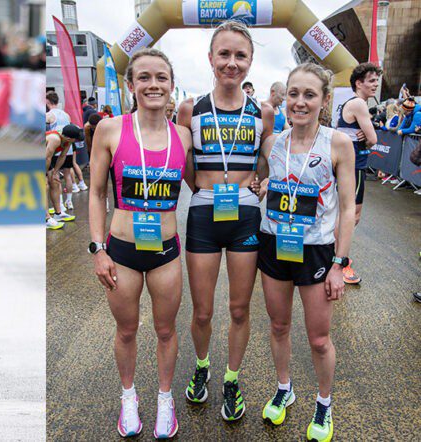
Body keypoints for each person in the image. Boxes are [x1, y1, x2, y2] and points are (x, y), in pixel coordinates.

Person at [89, 47, 192, 439]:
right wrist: (97, 249)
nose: (153, 85)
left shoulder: (182, 134)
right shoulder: (110, 129)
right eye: (144, 77)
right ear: (131, 85)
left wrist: (255, 184)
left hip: (166, 253)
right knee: (127, 330)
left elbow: (202, 184)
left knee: (166, 331)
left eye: (161, 78)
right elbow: (97, 194)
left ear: (171, 84)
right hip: (122, 252)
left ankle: (165, 400)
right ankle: (128, 398)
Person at [176, 20, 273, 421]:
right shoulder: (190, 109)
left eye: (240, 55)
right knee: (201, 311)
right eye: (224, 54)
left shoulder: (262, 111)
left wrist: (262, 182)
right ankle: (202, 367)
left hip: (245, 216)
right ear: (211, 58)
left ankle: (231, 378)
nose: (231, 63)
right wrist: (202, 189)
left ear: (250, 62)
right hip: (203, 211)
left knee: (238, 309)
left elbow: (269, 160)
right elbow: (184, 164)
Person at [254, 62, 355, 442]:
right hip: (275, 245)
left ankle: (324, 403)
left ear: (324, 100)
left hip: (316, 251)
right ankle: (284, 388)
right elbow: (267, 180)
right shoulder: (273, 142)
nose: (299, 102)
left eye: (309, 95)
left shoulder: (338, 143)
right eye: (293, 93)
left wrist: (339, 264)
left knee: (318, 338)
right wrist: (260, 186)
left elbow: (347, 209)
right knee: (278, 326)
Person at [334, 62, 381, 285]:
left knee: (345, 213)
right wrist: (367, 134)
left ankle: (333, 256)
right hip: (354, 166)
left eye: (376, 80)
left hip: (349, 165)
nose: (376, 84)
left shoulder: (348, 103)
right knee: (351, 215)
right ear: (359, 83)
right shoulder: (359, 104)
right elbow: (373, 139)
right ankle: (339, 262)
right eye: (371, 81)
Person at [45, 125, 80, 229]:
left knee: (55, 182)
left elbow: (62, 156)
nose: (76, 140)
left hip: (45, 159)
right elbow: (47, 158)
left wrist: (55, 172)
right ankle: (46, 218)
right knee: (44, 185)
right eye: (75, 138)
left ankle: (58, 214)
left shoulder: (68, 141)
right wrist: (46, 174)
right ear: (69, 137)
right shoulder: (55, 139)